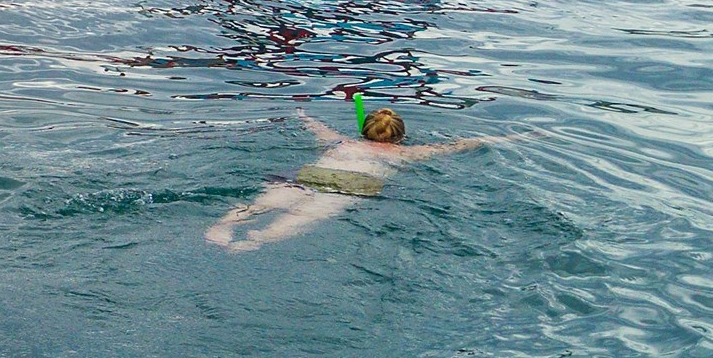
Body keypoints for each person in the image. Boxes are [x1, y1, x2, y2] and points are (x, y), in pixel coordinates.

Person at [205, 107, 518, 252]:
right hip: (352, 185)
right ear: (400, 137)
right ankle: (257, 240)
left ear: (364, 130)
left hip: (314, 175)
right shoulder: (404, 153)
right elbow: (457, 146)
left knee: (262, 204)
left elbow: (317, 128)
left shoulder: (342, 143)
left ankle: (223, 226)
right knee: (301, 218)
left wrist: (303, 115)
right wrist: (511, 139)